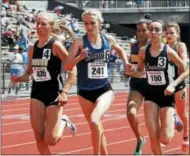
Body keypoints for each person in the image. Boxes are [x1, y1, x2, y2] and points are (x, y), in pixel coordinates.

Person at [63, 9, 130, 155]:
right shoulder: (79, 42)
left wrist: (125, 62)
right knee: (96, 126)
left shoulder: (108, 40)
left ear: (100, 23)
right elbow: (67, 66)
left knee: (94, 120)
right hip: (84, 91)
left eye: (92, 23)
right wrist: (80, 57)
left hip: (104, 88)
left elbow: (120, 50)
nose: (89, 26)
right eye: (86, 23)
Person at [12, 12, 77, 155]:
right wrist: (18, 79)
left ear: (51, 27)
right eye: (37, 23)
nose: (39, 26)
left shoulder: (56, 45)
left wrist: (65, 92)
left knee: (51, 140)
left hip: (54, 94)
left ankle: (64, 121)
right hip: (37, 94)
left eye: (43, 24)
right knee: (38, 137)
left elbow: (73, 69)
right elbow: (29, 73)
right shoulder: (32, 48)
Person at [126, 20, 188, 155]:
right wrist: (131, 71)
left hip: (166, 95)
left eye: (157, 30)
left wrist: (173, 84)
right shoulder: (143, 51)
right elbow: (141, 72)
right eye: (151, 29)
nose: (153, 32)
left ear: (162, 34)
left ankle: (172, 118)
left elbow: (185, 71)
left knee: (165, 139)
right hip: (150, 95)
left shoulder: (169, 52)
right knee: (153, 136)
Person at [126, 18, 150, 155]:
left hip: (152, 86)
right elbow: (132, 63)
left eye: (144, 30)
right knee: (131, 113)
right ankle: (140, 139)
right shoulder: (133, 45)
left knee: (153, 121)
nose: (141, 33)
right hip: (137, 84)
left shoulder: (154, 46)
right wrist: (128, 70)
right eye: (139, 30)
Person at [165, 21, 189, 152]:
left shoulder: (180, 46)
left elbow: (184, 60)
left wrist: (182, 60)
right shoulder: (163, 47)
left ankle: (185, 137)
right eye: (167, 32)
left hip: (179, 85)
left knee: (182, 112)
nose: (168, 35)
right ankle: (174, 119)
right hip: (166, 85)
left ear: (177, 34)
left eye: (171, 33)